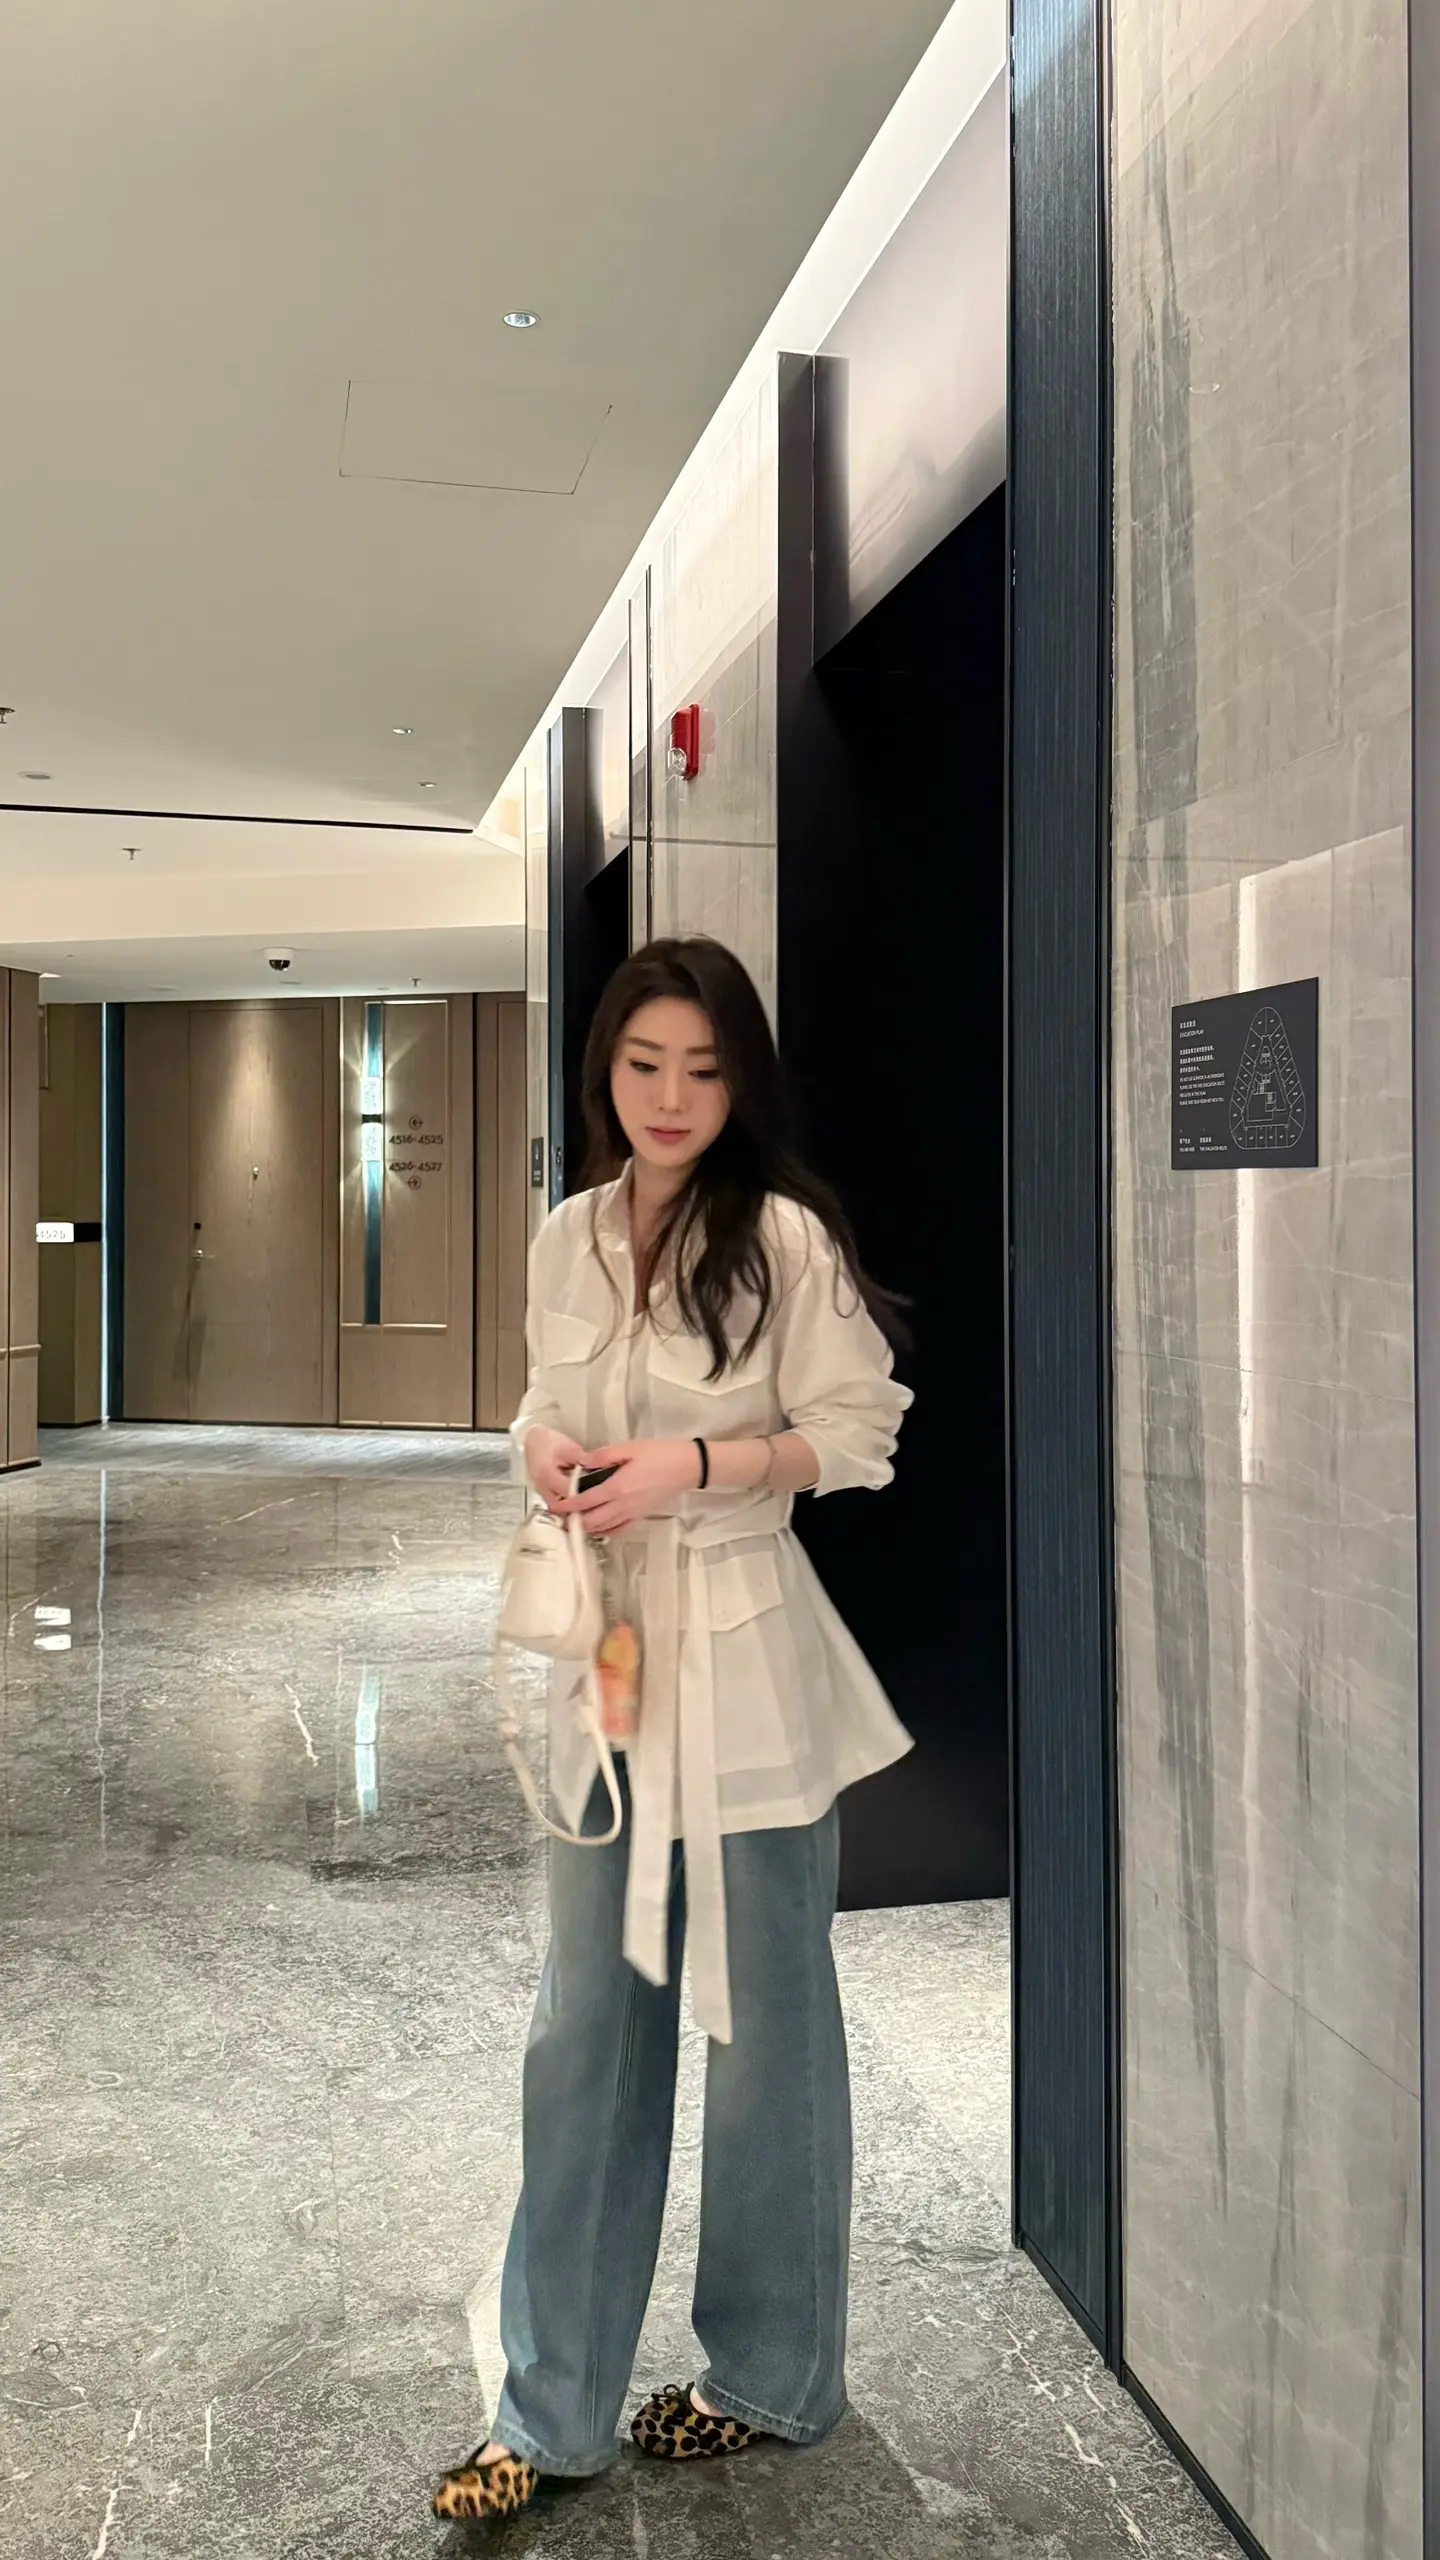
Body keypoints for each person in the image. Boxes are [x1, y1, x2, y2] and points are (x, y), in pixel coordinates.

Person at [432, 935, 912, 2525]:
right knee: (587, 2021)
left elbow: (860, 1431)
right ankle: (548, 2404)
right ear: (607, 1071)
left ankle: (773, 2374)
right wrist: (544, 1447)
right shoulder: (567, 1233)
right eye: (645, 1064)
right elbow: (537, 1402)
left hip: (748, 1654)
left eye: (704, 1069)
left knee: (767, 2034)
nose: (671, 1096)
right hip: (612, 1658)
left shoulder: (780, 1238)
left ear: (740, 1081)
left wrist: (694, 1468)